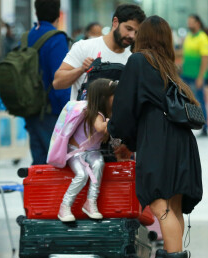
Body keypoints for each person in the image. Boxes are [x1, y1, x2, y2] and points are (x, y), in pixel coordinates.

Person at [108, 16, 202, 258]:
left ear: (144, 37)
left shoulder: (138, 61)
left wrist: (119, 138)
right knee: (171, 206)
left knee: (161, 204)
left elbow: (125, 108)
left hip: (159, 143)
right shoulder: (167, 67)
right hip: (180, 141)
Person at [53, 3, 146, 100]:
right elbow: (57, 83)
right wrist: (81, 70)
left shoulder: (132, 60)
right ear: (115, 22)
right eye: (128, 28)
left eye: (136, 32)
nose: (132, 36)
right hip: (83, 114)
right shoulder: (84, 47)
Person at [58, 79, 118, 222]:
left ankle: (91, 202)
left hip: (92, 152)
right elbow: (100, 128)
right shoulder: (94, 114)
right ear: (104, 97)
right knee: (82, 174)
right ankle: (64, 206)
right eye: (114, 95)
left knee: (98, 164)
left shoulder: (104, 114)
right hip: (77, 152)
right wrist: (113, 121)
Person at [25, 0, 71, 165]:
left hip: (30, 110)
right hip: (51, 114)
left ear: (36, 13)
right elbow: (60, 80)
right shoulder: (56, 38)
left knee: (38, 163)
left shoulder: (27, 36)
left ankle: (34, 192)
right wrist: (69, 113)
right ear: (59, 14)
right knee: (56, 165)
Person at [182, 14, 208, 137]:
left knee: (199, 101)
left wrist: (200, 76)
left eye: (191, 22)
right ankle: (188, 123)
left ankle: (205, 128)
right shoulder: (188, 36)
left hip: (197, 76)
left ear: (198, 23)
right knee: (185, 101)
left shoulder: (203, 38)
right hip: (185, 75)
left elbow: (205, 58)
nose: (189, 24)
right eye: (188, 21)